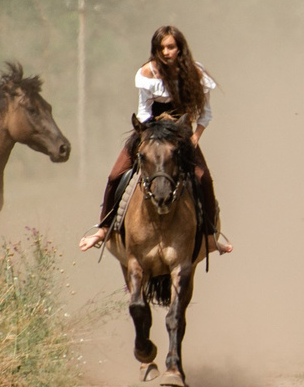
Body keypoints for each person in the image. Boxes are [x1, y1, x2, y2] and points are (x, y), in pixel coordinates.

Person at [80, 25, 230, 255]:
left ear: (180, 48)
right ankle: (104, 229)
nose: (166, 52)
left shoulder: (196, 73)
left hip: (181, 135)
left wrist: (195, 137)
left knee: (204, 178)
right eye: (161, 48)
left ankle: (209, 237)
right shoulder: (147, 73)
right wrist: (148, 137)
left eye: (170, 47)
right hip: (150, 130)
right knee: (115, 175)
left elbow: (205, 113)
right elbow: (143, 111)